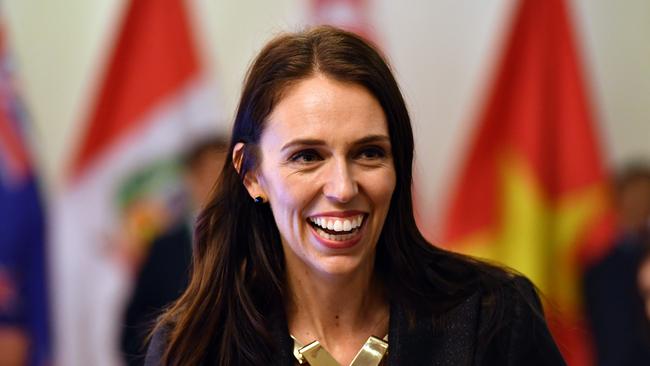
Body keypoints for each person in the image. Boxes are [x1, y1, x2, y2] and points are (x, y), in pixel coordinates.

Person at [145, 25, 565, 365]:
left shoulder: (491, 316)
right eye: (307, 156)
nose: (343, 188)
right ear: (252, 174)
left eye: (369, 153)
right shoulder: (194, 348)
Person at [121, 137, 228, 365]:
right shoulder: (163, 249)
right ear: (190, 179)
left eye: (225, 173)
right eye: (208, 173)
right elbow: (132, 333)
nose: (217, 183)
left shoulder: (257, 239)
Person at [584, 162, 650, 366]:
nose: (640, 202)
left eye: (646, 195)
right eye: (634, 194)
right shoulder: (597, 259)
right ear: (618, 198)